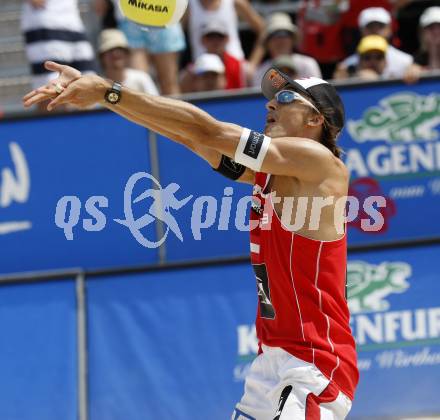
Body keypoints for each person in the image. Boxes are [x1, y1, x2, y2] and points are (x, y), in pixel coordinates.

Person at [23, 62, 359, 419]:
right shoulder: (270, 175)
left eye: (287, 97)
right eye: (273, 99)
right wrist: (107, 99)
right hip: (273, 360)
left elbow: (208, 130)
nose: (271, 105)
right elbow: (191, 136)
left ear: (316, 120)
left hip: (314, 365)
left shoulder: (321, 164)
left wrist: (109, 90)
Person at [94, 0, 186, 95]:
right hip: (131, 16)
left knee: (169, 83)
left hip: (164, 12)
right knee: (138, 85)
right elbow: (100, 7)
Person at [21, 0, 96, 109]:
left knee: (88, 85)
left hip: (73, 19)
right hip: (44, 18)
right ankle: (50, 126)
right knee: (50, 89)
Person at [333, 7, 414, 80]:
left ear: (389, 29)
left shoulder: (406, 61)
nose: (375, 31)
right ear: (361, 30)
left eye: (380, 26)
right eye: (370, 26)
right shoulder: (347, 65)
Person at [252, 13, 322, 87]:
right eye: (274, 35)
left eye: (284, 34)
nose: (280, 39)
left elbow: (317, 94)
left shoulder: (308, 64)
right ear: (268, 42)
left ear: (292, 39)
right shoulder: (260, 72)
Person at [180, 20, 247, 93]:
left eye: (219, 37)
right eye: (210, 37)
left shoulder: (237, 65)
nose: (215, 41)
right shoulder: (191, 69)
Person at [98, 29, 158, 95]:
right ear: (102, 57)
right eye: (110, 50)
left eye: (120, 49)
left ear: (127, 54)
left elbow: (155, 102)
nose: (115, 53)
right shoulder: (97, 85)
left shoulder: (141, 78)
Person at [414, 6, 440, 71]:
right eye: (431, 27)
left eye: (439, 27)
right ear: (422, 32)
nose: (436, 32)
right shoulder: (416, 60)